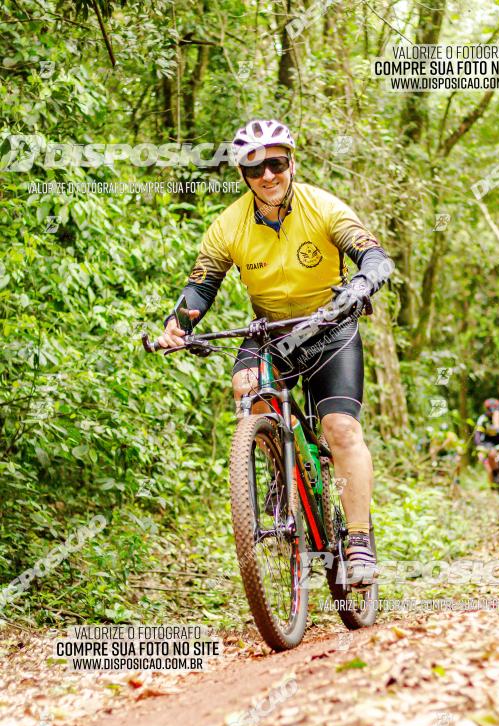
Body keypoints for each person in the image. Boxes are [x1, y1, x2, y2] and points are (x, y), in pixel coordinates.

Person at [157, 119, 393, 583]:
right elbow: (202, 286)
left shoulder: (324, 207)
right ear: (244, 175)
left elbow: (373, 254)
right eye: (255, 167)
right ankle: (276, 466)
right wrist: (176, 326)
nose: (268, 175)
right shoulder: (228, 225)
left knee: (341, 429)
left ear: (291, 164)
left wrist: (363, 282)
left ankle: (360, 540)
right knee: (244, 385)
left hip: (330, 326)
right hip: (270, 332)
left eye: (277, 163)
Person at [474, 398, 499, 487]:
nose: (491, 412)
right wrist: (479, 447)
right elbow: (477, 434)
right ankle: (495, 475)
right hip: (488, 442)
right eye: (489, 410)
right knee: (491, 457)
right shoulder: (482, 419)